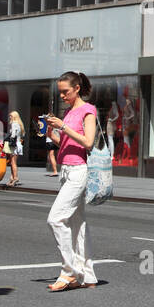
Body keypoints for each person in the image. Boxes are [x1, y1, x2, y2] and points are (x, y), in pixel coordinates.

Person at [44, 72, 99, 292]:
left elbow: (88, 142)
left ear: (77, 88)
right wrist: (51, 133)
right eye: (61, 93)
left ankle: (69, 272)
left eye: (66, 92)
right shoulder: (68, 112)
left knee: (56, 219)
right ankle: (88, 275)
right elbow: (66, 145)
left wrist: (63, 127)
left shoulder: (88, 110)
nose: (63, 96)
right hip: (66, 170)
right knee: (78, 224)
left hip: (79, 171)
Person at [5, 111, 25, 187]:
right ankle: (12, 178)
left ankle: (15, 177)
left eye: (11, 116)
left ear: (14, 117)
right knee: (13, 162)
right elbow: (22, 135)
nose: (10, 117)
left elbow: (13, 135)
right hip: (19, 145)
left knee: (13, 162)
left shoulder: (14, 124)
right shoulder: (20, 124)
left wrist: (7, 138)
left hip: (14, 145)